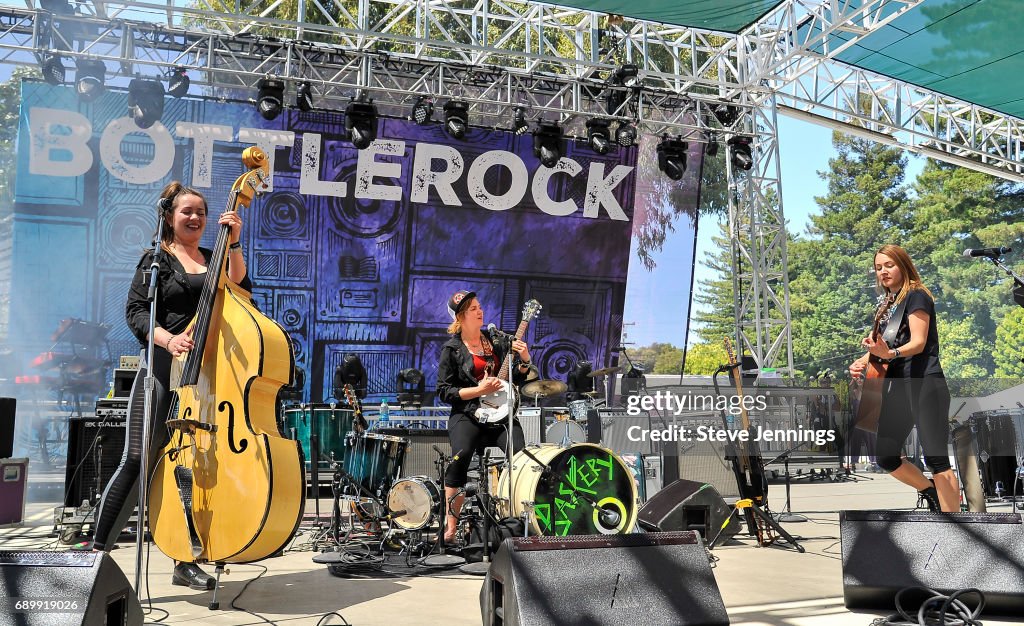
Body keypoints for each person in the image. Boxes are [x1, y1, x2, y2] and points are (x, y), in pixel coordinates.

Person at [91, 181, 250, 590]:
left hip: (204, 379)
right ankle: (95, 551)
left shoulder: (215, 258)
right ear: (169, 216)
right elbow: (136, 312)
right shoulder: (155, 260)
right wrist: (167, 339)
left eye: (200, 211)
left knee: (194, 468)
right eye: (186, 212)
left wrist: (234, 242)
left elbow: (241, 291)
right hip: (163, 369)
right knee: (139, 457)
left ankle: (185, 558)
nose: (195, 218)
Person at [849, 245, 959, 512]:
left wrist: (891, 353)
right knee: (886, 455)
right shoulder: (889, 304)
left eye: (889, 265)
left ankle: (957, 526)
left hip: (924, 383)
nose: (883, 272)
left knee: (936, 458)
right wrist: (863, 360)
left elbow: (918, 342)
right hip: (897, 387)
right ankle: (930, 491)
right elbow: (885, 348)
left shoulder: (917, 295)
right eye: (878, 268)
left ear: (903, 265)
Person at [436, 291, 533, 543]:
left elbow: (519, 379)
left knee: (521, 457)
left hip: (500, 416)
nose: (480, 311)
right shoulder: (452, 350)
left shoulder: (497, 340)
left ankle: (521, 519)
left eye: (479, 307)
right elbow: (445, 392)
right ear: (460, 317)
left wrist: (524, 360)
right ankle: (451, 525)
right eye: (473, 309)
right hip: (467, 414)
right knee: (460, 457)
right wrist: (479, 390)